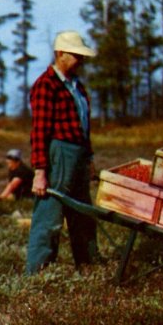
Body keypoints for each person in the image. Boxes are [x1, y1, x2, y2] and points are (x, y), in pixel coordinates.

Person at [26, 31, 99, 275]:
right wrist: (40, 172)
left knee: (83, 214)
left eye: (82, 56)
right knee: (50, 217)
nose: (80, 60)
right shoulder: (46, 85)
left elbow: (83, 126)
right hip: (59, 154)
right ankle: (39, 274)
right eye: (75, 55)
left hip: (78, 154)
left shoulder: (77, 86)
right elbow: (39, 132)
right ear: (59, 54)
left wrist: (88, 159)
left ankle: (88, 267)